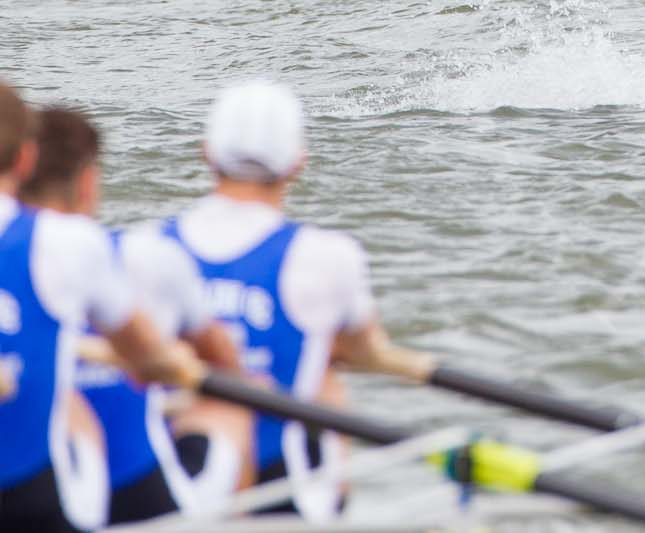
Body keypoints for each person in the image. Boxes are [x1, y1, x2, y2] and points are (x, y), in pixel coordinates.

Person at [164, 81, 427, 522]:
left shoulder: (147, 248)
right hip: (282, 488)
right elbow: (365, 350)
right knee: (323, 378)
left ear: (206, 153)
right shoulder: (326, 255)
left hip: (175, 481)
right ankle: (330, 505)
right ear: (297, 163)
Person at [19, 108, 243, 525]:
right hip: (121, 494)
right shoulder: (130, 253)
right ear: (87, 182)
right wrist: (168, 362)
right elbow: (206, 364)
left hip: (19, 484)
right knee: (231, 405)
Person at [1, 83, 199, 533]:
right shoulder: (67, 243)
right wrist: (174, 365)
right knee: (81, 417)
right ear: (24, 160)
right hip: (32, 504)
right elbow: (146, 353)